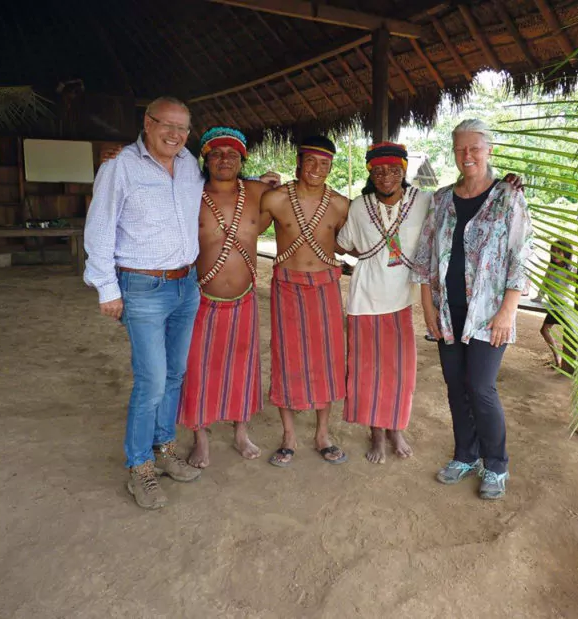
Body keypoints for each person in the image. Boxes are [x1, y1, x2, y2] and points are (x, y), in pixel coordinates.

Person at [84, 96, 203, 510]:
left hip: (186, 285)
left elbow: (222, 184)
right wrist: (107, 288)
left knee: (174, 374)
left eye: (182, 128)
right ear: (147, 123)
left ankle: (165, 449)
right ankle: (140, 468)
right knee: (152, 379)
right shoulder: (119, 167)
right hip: (142, 288)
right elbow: (99, 228)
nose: (174, 134)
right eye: (166, 125)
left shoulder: (189, 165)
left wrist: (267, 179)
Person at [413, 118, 534, 500]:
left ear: (489, 151)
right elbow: (424, 257)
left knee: (481, 388)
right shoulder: (442, 199)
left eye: (475, 149)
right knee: (455, 387)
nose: (468, 156)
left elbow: (521, 256)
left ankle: (496, 465)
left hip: (489, 314)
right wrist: (428, 309)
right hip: (447, 311)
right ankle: (465, 455)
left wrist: (508, 311)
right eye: (461, 149)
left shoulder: (508, 196)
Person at [176, 127, 280, 468]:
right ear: (205, 158)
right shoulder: (189, 192)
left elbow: (271, 218)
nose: (224, 160)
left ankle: (240, 432)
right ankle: (201, 437)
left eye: (232, 154)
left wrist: (276, 184)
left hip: (244, 299)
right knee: (198, 367)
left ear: (242, 159)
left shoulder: (257, 192)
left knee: (242, 365)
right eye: (217, 153)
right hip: (200, 298)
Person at [335, 142, 432, 464]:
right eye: (378, 170)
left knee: (401, 372)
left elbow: (461, 197)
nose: (385, 175)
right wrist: (371, 256)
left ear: (403, 170)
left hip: (402, 301)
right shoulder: (360, 206)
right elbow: (345, 243)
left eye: (392, 169)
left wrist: (505, 182)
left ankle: (395, 429)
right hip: (364, 300)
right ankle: (375, 433)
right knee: (366, 372)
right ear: (370, 173)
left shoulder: (423, 201)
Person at [260, 136, 350, 467]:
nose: (316, 169)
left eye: (324, 163)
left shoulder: (340, 204)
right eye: (310, 161)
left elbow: (350, 244)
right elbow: (245, 226)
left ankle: (322, 434)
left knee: (327, 359)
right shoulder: (275, 198)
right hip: (287, 286)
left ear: (331, 167)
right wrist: (256, 186)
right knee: (287, 356)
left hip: (326, 287)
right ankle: (288, 437)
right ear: (298, 162)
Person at [538, 240, 576, 369]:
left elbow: (576, 282)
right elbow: (545, 283)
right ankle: (558, 357)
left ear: (566, 253)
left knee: (547, 330)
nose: (555, 254)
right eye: (553, 251)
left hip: (562, 305)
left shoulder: (570, 269)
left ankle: (561, 360)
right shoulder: (551, 267)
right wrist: (539, 296)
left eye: (559, 252)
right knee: (545, 330)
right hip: (553, 304)